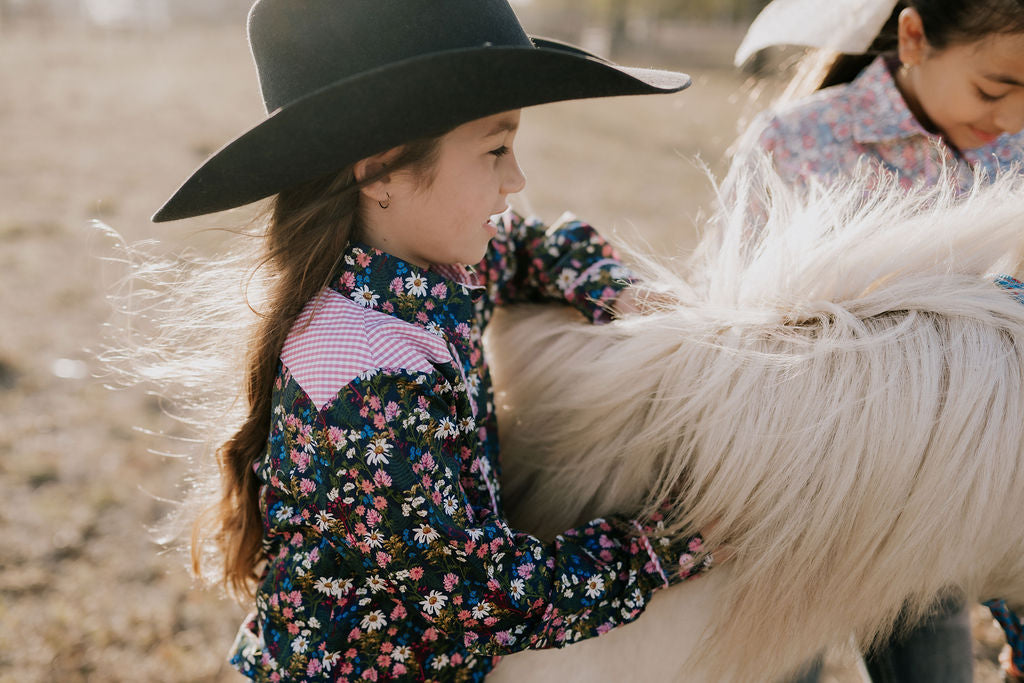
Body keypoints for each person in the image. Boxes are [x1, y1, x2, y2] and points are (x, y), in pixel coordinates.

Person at [151, 0, 718, 680]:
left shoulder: (436, 267)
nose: (517, 179)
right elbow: (478, 594)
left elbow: (528, 244)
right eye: (495, 149)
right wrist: (658, 548)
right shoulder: (364, 378)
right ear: (381, 168)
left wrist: (612, 288)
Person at [731, 1, 1024, 681]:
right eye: (994, 88)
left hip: (936, 507)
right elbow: (740, 332)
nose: (1011, 118)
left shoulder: (1013, 154)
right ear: (915, 36)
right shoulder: (798, 142)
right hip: (796, 499)